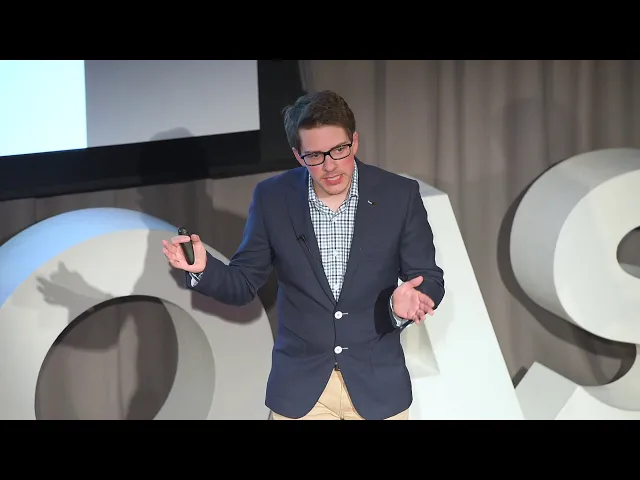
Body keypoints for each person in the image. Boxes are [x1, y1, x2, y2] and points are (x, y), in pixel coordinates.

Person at [162, 90, 445, 420]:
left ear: (354, 142)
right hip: (302, 392)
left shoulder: (398, 194)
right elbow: (243, 283)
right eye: (315, 155)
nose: (330, 166)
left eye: (338, 150)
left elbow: (429, 278)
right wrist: (203, 268)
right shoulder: (273, 198)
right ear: (298, 156)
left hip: (378, 388)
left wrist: (406, 304)